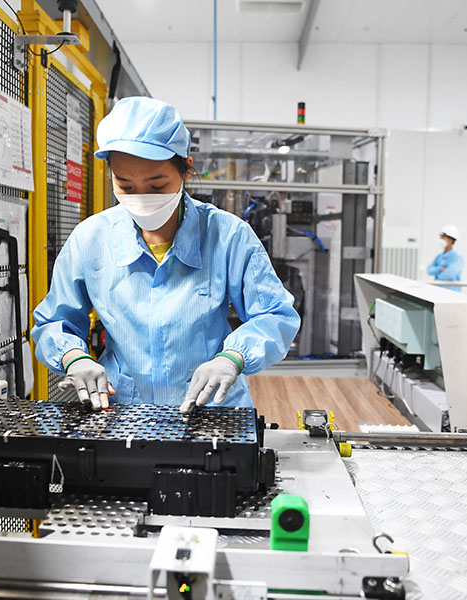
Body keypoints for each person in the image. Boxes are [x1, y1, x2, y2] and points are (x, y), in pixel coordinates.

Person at [32, 97, 300, 414]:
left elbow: (275, 315)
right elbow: (54, 322)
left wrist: (232, 358)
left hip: (210, 410)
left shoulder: (227, 236)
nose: (142, 198)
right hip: (123, 414)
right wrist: (73, 357)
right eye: (126, 186)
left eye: (157, 185)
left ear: (186, 169)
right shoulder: (92, 239)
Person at [426, 225, 464, 292]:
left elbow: (449, 275)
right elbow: (429, 271)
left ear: (451, 239)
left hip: (452, 292)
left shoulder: (457, 257)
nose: (441, 240)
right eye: (441, 237)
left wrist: (437, 273)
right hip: (438, 290)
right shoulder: (439, 256)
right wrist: (440, 269)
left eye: (443, 237)